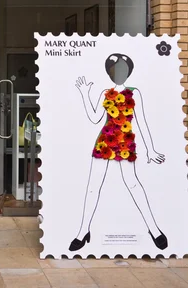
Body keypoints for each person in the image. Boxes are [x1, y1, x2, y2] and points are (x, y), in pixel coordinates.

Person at [70, 53, 167, 252]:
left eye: (122, 69)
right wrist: (84, 93)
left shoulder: (134, 93)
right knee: (92, 187)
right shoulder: (106, 93)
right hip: (105, 140)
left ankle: (154, 229)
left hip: (125, 141)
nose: (118, 74)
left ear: (129, 71)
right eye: (114, 70)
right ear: (109, 72)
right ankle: (82, 231)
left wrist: (151, 149)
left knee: (133, 183)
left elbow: (142, 122)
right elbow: (95, 118)